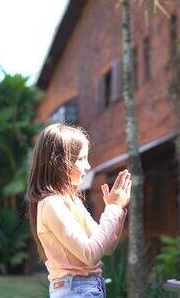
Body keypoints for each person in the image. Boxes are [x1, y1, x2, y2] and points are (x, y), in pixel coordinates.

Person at [26, 123, 130, 298]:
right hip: (75, 290)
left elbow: (106, 247)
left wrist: (117, 211)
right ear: (60, 163)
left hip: (86, 288)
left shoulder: (72, 201)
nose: (88, 166)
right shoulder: (52, 204)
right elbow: (90, 254)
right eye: (81, 159)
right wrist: (113, 208)